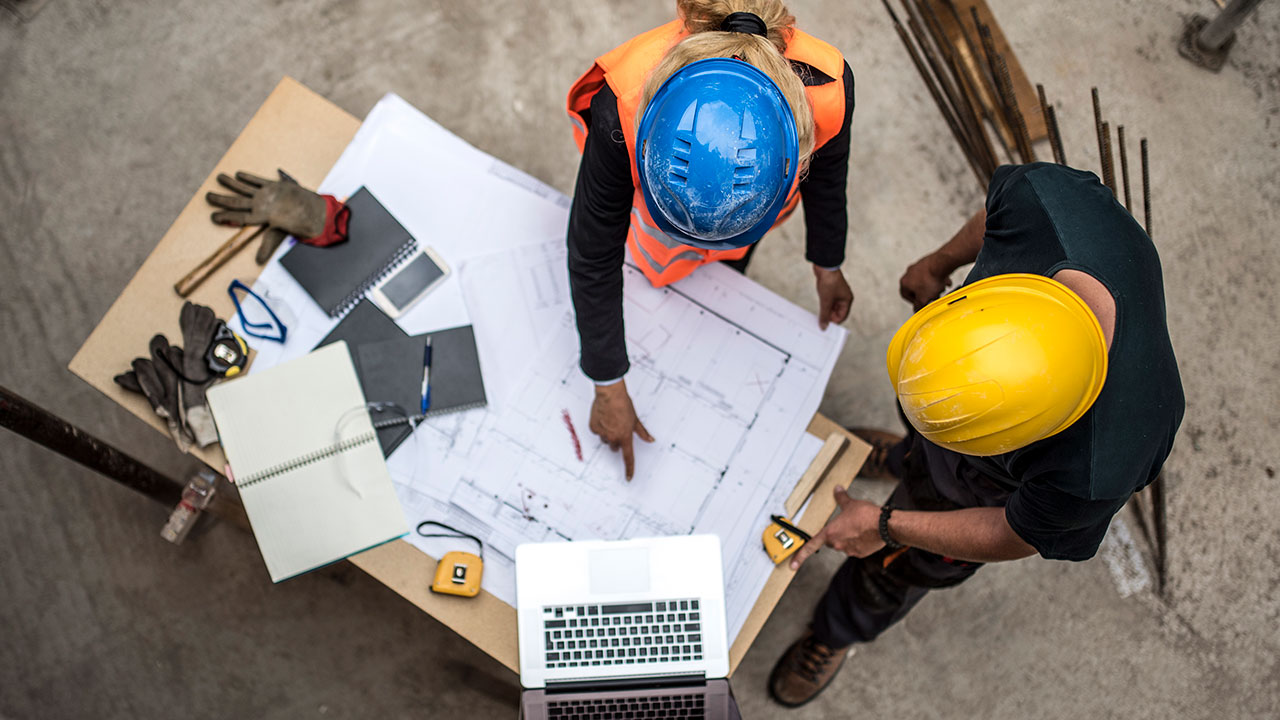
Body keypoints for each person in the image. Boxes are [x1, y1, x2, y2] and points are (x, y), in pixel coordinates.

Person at [767, 162, 1185, 707]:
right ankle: (904, 457)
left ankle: (837, 631)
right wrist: (938, 263)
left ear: (1022, 438)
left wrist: (887, 526)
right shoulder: (1047, 205)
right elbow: (995, 217)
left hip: (981, 494)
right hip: (974, 412)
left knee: (894, 569)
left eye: (958, 434)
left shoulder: (1099, 463)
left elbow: (1013, 533)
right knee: (923, 445)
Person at [566, 0, 856, 478]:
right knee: (656, 274)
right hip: (655, 236)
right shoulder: (622, 106)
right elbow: (594, 250)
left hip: (746, 222)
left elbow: (829, 178)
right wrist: (607, 381)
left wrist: (828, 263)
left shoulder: (827, 86)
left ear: (794, 155)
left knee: (721, 279)